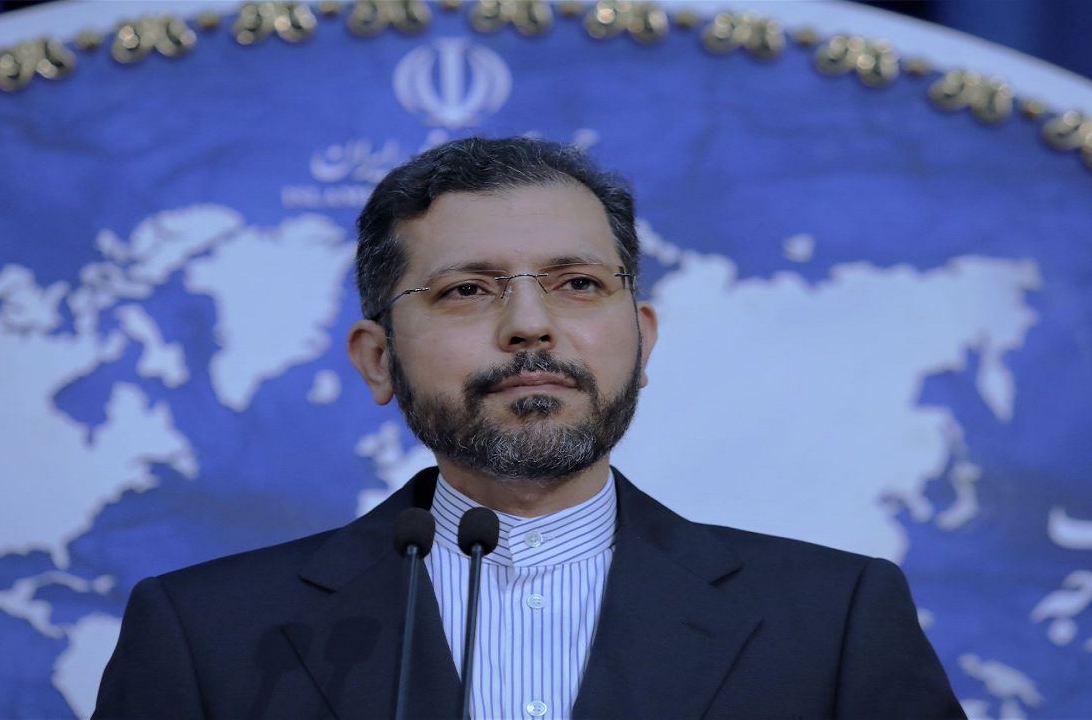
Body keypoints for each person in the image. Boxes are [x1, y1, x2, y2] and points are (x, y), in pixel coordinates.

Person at [94, 137, 965, 719]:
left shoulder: (833, 620)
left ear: (642, 339)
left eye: (578, 284)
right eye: (467, 290)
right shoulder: (207, 635)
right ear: (377, 359)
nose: (530, 326)